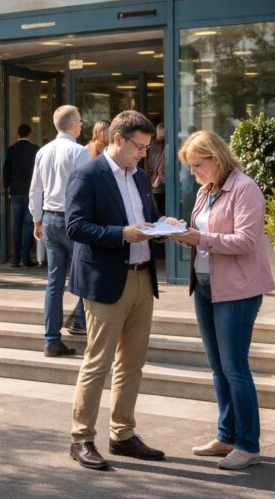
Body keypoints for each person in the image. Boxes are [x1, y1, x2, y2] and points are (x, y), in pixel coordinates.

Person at [170, 131, 275, 471]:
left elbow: (245, 241)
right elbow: (206, 237)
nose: (193, 173)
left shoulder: (245, 188)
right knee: (218, 368)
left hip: (238, 291)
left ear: (216, 158)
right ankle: (226, 435)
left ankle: (248, 445)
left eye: (197, 165)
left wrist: (200, 236)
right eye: (190, 167)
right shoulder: (207, 190)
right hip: (205, 286)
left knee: (235, 369)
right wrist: (181, 233)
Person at [66, 110, 163, 471]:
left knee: (133, 363)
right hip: (105, 280)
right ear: (117, 139)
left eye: (147, 148)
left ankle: (122, 434)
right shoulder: (88, 174)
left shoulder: (139, 177)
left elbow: (145, 218)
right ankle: (81, 438)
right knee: (98, 362)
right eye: (139, 147)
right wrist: (122, 234)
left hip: (141, 277)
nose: (143, 154)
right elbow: (76, 227)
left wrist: (162, 228)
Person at [29, 106, 89, 354]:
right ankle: (83, 324)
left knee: (54, 281)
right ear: (74, 123)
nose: (82, 125)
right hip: (74, 220)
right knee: (86, 275)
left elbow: (35, 189)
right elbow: (88, 189)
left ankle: (51, 339)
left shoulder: (43, 151)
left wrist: (36, 219)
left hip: (50, 218)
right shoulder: (79, 151)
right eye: (81, 121)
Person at [3, 124, 39, 268]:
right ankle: (26, 258)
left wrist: (6, 187)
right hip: (31, 190)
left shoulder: (11, 149)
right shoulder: (35, 149)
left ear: (18, 134)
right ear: (30, 133)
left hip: (16, 191)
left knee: (17, 223)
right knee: (29, 224)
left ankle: (15, 258)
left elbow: (6, 169)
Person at [147, 123, 167, 217]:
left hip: (162, 176)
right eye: (160, 134)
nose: (161, 136)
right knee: (158, 203)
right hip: (157, 176)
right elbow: (152, 162)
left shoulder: (164, 145)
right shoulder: (154, 145)